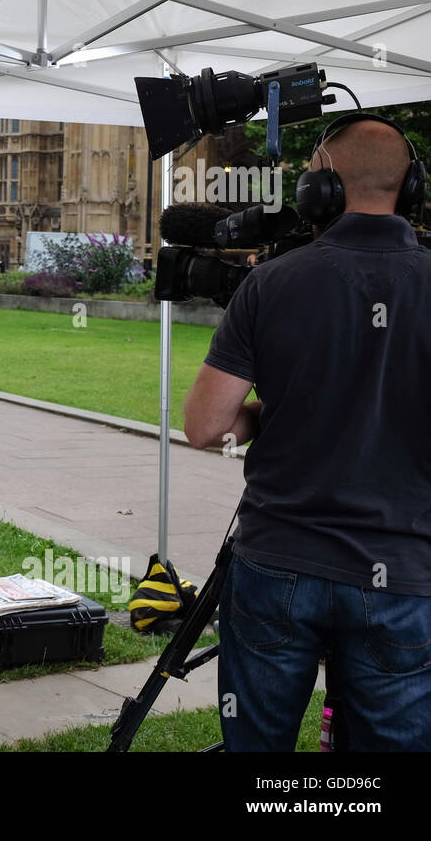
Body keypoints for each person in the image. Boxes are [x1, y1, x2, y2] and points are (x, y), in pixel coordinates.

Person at [183, 116, 431, 751]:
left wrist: (281, 414)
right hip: (403, 574)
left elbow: (205, 426)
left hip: (276, 563)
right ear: (411, 191)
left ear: (319, 187)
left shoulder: (271, 283)